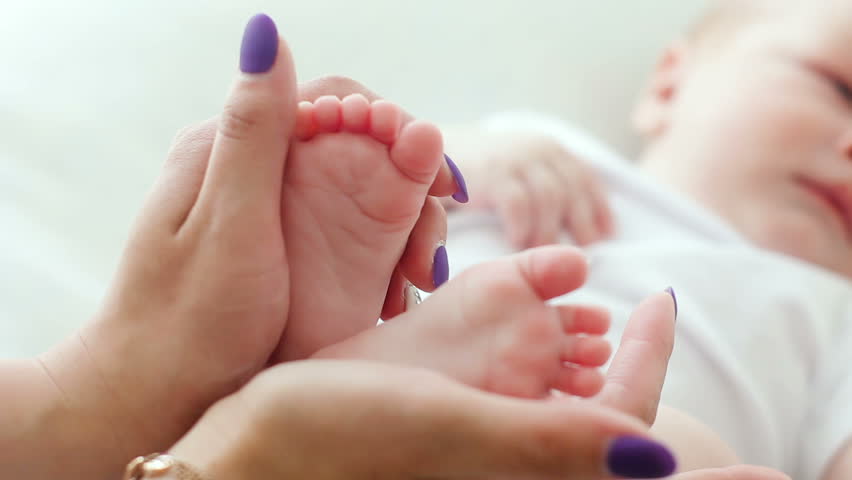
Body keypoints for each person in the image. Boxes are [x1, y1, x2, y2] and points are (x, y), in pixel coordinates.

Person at [0, 14, 689, 480]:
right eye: (803, 74)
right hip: (504, 324)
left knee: (699, 444)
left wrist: (110, 390)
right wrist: (471, 153)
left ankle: (135, 396)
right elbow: (439, 168)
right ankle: (383, 366)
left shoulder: (798, 294)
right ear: (668, 82)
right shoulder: (553, 148)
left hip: (652, 383)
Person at [442, 1, 852, 479]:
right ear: (668, 85)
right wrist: (456, 154)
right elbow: (402, 184)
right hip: (406, 366)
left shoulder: (839, 317)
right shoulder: (537, 151)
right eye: (840, 89)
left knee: (696, 449)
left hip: (623, 451)